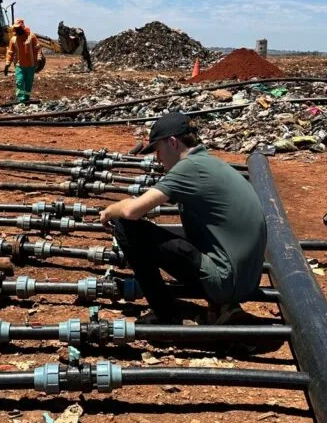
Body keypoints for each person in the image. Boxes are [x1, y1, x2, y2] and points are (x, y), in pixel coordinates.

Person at [99, 112, 267, 324]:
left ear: (173, 143)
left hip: (225, 283)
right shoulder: (210, 164)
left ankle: (165, 317)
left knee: (126, 226)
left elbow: (133, 210)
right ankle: (223, 307)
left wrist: (110, 211)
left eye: (158, 150)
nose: (158, 158)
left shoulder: (188, 168)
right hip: (247, 282)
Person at [3, 19, 40, 103]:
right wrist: (7, 64)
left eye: (18, 28)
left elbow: (37, 49)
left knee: (28, 83)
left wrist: (39, 59)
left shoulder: (31, 37)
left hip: (31, 65)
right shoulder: (13, 39)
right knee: (19, 81)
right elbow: (10, 52)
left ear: (22, 27)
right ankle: (21, 99)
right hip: (19, 66)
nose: (17, 30)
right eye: (16, 28)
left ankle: (26, 99)